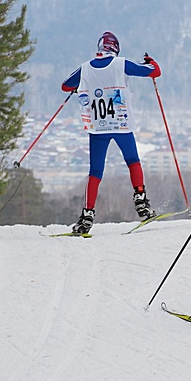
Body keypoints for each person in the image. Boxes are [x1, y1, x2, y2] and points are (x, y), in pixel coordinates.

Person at [61, 31, 161, 235]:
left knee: (95, 171)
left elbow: (65, 85)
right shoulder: (121, 63)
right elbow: (154, 71)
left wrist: (79, 85)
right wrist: (150, 60)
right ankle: (141, 203)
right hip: (121, 123)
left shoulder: (85, 68)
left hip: (97, 126)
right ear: (115, 48)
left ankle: (87, 215)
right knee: (133, 161)